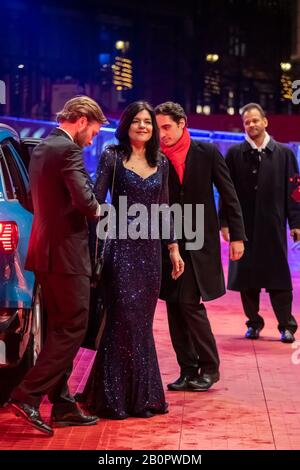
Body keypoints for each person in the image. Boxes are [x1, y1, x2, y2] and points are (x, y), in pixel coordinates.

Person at [76, 101, 184, 419]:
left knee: (141, 324)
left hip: (150, 253)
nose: (142, 126)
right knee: (121, 318)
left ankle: (143, 396)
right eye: (136, 121)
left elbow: (164, 209)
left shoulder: (161, 162)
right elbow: (96, 198)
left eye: (148, 122)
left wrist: (173, 248)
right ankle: (111, 397)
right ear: (127, 125)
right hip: (120, 249)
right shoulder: (112, 154)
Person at [7, 96, 108, 435]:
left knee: (55, 329)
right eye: (93, 131)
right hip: (67, 256)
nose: (92, 139)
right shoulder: (68, 151)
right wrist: (100, 207)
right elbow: (86, 202)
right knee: (72, 329)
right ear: (81, 120)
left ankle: (62, 405)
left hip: (44, 254)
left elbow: (29, 199)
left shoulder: (41, 148)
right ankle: (27, 395)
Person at [155, 101, 246, 392]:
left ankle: (210, 367)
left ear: (182, 123)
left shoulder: (206, 152)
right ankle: (187, 369)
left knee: (189, 303)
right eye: (158, 129)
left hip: (198, 239)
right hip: (166, 239)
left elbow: (228, 193)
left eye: (166, 127)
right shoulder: (155, 157)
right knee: (173, 305)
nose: (162, 134)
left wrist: (237, 236)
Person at [219, 103, 300, 343]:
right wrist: (224, 222)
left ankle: (287, 325)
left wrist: (296, 221)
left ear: (265, 121)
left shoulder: (284, 153)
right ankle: (253, 323)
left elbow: (296, 190)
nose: (252, 125)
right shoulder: (234, 153)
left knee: (279, 278)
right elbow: (225, 191)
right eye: (247, 122)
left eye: (256, 120)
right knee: (247, 278)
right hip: (242, 227)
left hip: (273, 226)